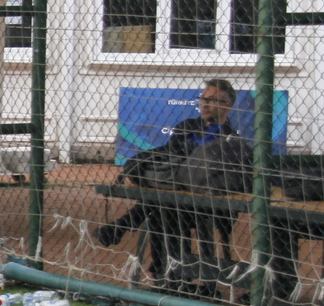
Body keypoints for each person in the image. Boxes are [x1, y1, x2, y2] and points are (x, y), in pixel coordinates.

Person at [94, 78, 244, 284]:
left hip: (208, 206)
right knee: (163, 210)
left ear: (228, 105)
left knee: (163, 209)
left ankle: (127, 231)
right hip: (177, 197)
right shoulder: (188, 126)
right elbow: (172, 161)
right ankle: (168, 276)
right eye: (203, 99)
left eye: (213, 100)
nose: (205, 104)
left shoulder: (230, 138)